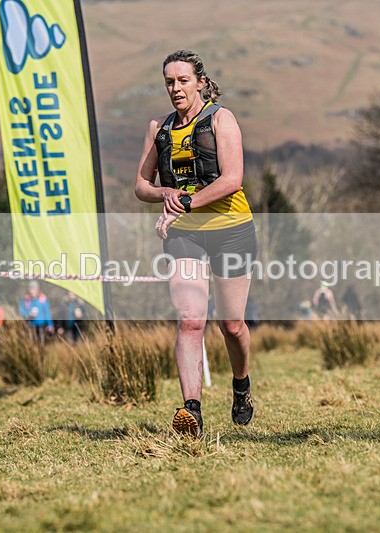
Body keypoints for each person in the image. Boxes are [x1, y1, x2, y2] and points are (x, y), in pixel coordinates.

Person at [134, 49, 257, 436]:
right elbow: (141, 186)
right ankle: (192, 411)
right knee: (190, 319)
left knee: (231, 324)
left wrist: (183, 201)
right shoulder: (160, 128)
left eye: (183, 80)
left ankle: (241, 385)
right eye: (169, 81)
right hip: (185, 234)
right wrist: (165, 195)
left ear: (200, 82)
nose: (175, 88)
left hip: (232, 229)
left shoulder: (221, 119)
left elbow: (232, 179)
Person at [18, 281, 53, 346]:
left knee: (41, 345)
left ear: (38, 290)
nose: (32, 291)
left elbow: (47, 313)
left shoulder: (43, 299)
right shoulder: (25, 300)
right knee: (30, 345)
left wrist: (50, 325)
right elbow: (21, 312)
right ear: (29, 290)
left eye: (34, 289)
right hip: (30, 326)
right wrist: (29, 315)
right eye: (31, 289)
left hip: (41, 326)